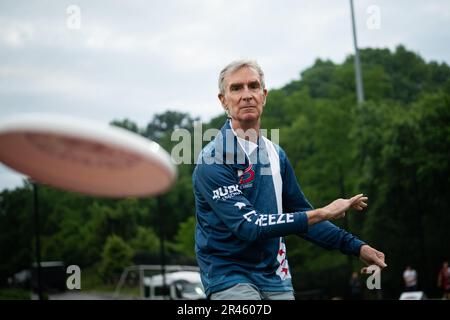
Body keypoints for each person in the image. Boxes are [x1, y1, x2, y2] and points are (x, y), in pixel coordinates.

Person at [192, 59, 387, 300]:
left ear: (264, 96)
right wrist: (324, 212)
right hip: (228, 276)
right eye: (236, 88)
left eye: (253, 86)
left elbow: (302, 216)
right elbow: (249, 226)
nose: (246, 95)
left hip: (275, 276)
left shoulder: (276, 155)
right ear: (223, 100)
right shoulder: (212, 160)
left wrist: (357, 246)